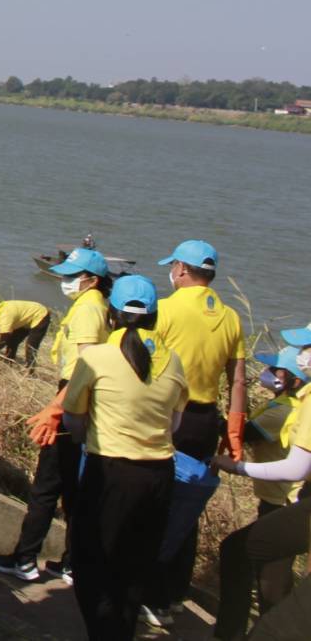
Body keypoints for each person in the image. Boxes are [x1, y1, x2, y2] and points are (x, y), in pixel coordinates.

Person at [61, 275, 188, 641]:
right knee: (134, 571)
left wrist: (91, 440)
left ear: (112, 314)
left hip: (110, 474)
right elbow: (174, 422)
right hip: (160, 476)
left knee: (91, 565)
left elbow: (74, 418)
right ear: (154, 317)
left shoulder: (96, 357)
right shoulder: (174, 361)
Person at [0, 245, 111, 582]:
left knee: (46, 486)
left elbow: (83, 368)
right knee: (73, 489)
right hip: (83, 406)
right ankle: (72, 561)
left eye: (73, 277)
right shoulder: (96, 306)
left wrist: (55, 410)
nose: (67, 282)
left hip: (71, 402)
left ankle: (25, 559)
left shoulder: (88, 310)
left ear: (92, 280)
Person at [145, 239, 246, 624]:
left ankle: (149, 596)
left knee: (156, 506)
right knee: (187, 512)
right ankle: (172, 594)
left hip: (170, 418)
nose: (171, 273)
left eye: (173, 267)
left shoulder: (165, 309)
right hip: (207, 423)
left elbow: (147, 366)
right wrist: (233, 428)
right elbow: (237, 380)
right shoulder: (232, 317)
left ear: (182, 270)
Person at [211, 330, 311, 640]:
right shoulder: (293, 401)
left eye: (306, 347)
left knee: (271, 582)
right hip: (296, 500)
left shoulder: (296, 405)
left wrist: (237, 466)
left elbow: (298, 466)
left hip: (290, 499)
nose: (302, 354)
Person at [241, 346, 307, 517]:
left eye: (276, 370)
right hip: (277, 493)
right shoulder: (285, 403)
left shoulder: (283, 411)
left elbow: (244, 433)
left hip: (282, 499)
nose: (267, 371)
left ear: (296, 380)